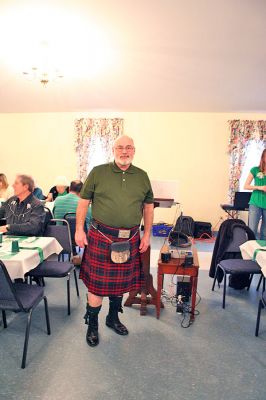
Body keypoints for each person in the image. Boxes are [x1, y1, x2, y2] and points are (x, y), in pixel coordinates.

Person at [75, 135, 154, 347]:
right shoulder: (98, 172)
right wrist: (79, 230)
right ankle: (92, 325)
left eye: (129, 147)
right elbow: (83, 202)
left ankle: (112, 318)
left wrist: (147, 234)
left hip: (130, 238)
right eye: (120, 147)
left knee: (120, 284)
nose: (124, 151)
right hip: (101, 237)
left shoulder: (142, 176)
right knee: (97, 287)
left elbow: (148, 206)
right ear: (113, 149)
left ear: (134, 150)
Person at [244, 148, 266, 240]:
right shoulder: (255, 170)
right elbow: (246, 186)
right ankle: (250, 252)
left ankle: (262, 252)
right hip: (255, 203)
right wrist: (260, 187)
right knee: (252, 230)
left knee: (265, 232)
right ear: (263, 157)